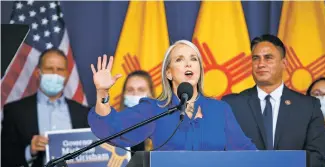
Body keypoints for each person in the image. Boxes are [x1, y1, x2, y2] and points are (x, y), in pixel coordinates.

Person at [221, 34, 325, 167]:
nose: (261, 63)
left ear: (284, 64)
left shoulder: (308, 106)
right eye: (256, 58)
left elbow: (317, 155)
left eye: (268, 58)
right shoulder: (231, 104)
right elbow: (222, 152)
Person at [88, 40, 257, 152]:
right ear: (168, 73)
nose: (188, 63)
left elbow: (246, 152)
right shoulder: (154, 109)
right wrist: (102, 92)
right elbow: (111, 128)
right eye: (179, 60)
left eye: (194, 59)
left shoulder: (220, 110)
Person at [1, 48, 105, 167]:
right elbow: (4, 159)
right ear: (38, 72)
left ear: (66, 74)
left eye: (60, 70)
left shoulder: (84, 113)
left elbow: (93, 153)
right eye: (49, 69)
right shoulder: (15, 111)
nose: (55, 74)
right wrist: (30, 150)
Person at [119, 70, 155, 153]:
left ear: (150, 94)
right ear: (124, 94)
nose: (135, 94)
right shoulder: (115, 126)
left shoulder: (163, 123)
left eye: (141, 90)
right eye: (130, 90)